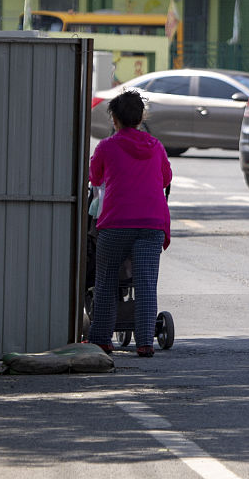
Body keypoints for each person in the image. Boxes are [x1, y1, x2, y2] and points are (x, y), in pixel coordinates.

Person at [87, 90, 172, 357]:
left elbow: (94, 176)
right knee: (146, 282)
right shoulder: (155, 146)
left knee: (106, 281)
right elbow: (166, 178)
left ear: (115, 119)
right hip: (151, 224)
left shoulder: (106, 147)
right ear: (140, 118)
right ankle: (145, 341)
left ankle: (101, 339)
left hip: (115, 224)